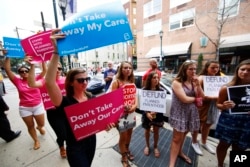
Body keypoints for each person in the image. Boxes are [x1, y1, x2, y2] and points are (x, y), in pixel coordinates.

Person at [45, 29, 115, 167]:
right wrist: (56, 51)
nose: (85, 82)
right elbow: (49, 82)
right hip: (75, 147)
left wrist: (107, 125)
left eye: (86, 79)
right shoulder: (64, 101)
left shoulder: (91, 97)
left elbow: (99, 120)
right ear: (71, 82)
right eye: (80, 80)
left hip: (91, 142)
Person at [26, 56, 67, 158]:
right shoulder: (45, 82)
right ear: (49, 70)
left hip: (68, 111)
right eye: (55, 68)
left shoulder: (66, 80)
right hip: (53, 113)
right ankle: (61, 146)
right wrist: (32, 65)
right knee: (61, 133)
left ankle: (66, 145)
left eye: (60, 68)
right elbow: (31, 84)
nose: (57, 70)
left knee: (69, 132)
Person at [4, 53, 46, 150]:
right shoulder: (17, 81)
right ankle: (36, 140)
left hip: (37, 106)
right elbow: (7, 69)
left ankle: (39, 128)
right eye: (21, 71)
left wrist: (42, 59)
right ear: (19, 73)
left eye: (26, 70)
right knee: (30, 126)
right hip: (24, 108)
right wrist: (8, 55)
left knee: (41, 124)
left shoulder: (36, 79)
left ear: (29, 71)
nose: (24, 72)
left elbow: (44, 71)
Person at [169, 60, 204, 167]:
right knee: (176, 138)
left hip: (191, 113)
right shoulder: (177, 82)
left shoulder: (195, 81)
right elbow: (184, 99)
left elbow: (202, 96)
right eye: (190, 69)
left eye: (194, 69)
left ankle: (180, 152)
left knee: (184, 134)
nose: (193, 71)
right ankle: (171, 164)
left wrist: (198, 85)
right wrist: (196, 99)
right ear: (184, 70)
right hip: (179, 113)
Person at [215, 59, 250, 167]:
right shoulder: (226, 88)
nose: (245, 72)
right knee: (223, 145)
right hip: (229, 121)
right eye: (242, 69)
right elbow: (218, 104)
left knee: (240, 148)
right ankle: (220, 164)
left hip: (247, 123)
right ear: (237, 70)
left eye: (249, 70)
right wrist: (224, 106)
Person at [109, 61, 137, 167]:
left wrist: (134, 107)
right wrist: (122, 106)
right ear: (121, 69)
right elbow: (113, 100)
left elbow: (135, 98)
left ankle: (126, 149)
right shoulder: (117, 82)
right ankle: (124, 157)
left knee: (129, 134)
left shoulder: (132, 82)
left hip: (131, 112)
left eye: (129, 68)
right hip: (120, 114)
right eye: (125, 68)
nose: (128, 70)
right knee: (123, 135)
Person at [191, 60, 221, 155]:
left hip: (213, 105)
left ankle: (203, 142)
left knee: (208, 125)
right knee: (197, 125)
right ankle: (194, 142)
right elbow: (197, 93)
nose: (215, 69)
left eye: (217, 67)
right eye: (213, 67)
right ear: (207, 68)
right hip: (203, 105)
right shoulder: (201, 78)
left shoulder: (219, 78)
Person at [141, 71, 164, 158]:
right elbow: (143, 103)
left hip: (157, 115)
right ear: (150, 79)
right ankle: (147, 145)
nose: (156, 79)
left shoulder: (161, 90)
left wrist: (156, 111)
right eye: (154, 78)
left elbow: (162, 104)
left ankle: (155, 147)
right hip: (147, 114)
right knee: (147, 130)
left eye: (157, 78)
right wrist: (147, 113)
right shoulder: (144, 90)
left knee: (156, 131)